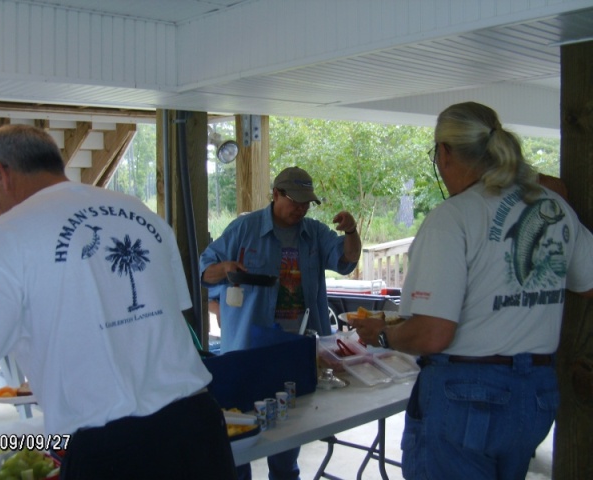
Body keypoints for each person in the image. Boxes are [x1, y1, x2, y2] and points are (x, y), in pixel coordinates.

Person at [0, 125, 237, 480]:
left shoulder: (6, 237)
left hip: (113, 450)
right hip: (199, 430)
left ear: (0, 173)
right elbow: (171, 313)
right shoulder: (140, 213)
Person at [350, 102, 593, 480]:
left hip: (465, 397)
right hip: (536, 394)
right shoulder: (554, 205)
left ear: (445, 154)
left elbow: (433, 334)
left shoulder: (454, 217)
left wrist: (385, 333)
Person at [199, 166, 362, 480]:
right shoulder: (243, 230)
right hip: (247, 352)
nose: (301, 207)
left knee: (288, 438)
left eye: (306, 202)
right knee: (241, 438)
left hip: (297, 352)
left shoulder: (314, 233)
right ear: (275, 194)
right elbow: (204, 271)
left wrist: (351, 231)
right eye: (295, 200)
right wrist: (227, 269)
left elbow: (346, 261)